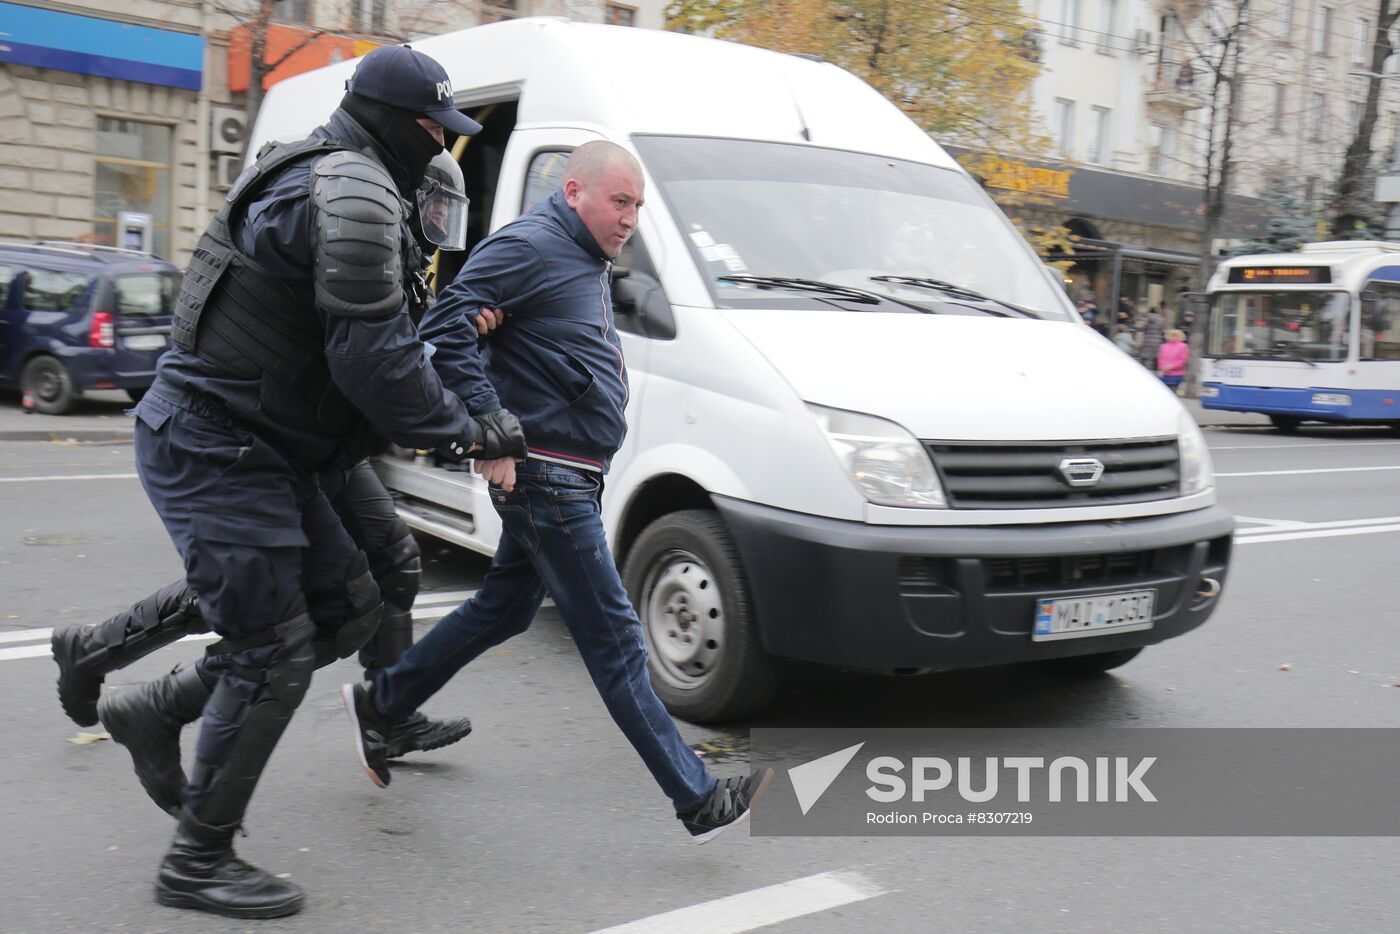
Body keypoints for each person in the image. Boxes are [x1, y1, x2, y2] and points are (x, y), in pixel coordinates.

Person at [86, 45, 526, 920]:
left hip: (269, 445)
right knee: (273, 647)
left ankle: (154, 711)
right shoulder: (349, 186)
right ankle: (195, 862)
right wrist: (466, 430)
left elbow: (372, 343)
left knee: (350, 608)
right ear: (400, 121)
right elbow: (375, 358)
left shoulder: (355, 182)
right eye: (438, 124)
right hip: (217, 444)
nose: (444, 140)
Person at [339, 140, 774, 845]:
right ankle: (696, 797)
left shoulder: (584, 257)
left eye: (638, 205)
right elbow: (447, 326)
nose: (631, 217)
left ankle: (384, 704)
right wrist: (490, 434)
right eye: (619, 201)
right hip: (544, 475)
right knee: (615, 639)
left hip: (568, 470)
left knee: (503, 609)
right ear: (575, 192)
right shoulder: (533, 246)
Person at [1157, 328, 1189, 393]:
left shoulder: (1183, 346)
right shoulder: (1163, 346)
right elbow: (1161, 358)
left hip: (1176, 374)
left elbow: (1182, 360)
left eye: (1176, 335)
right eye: (1172, 335)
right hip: (1164, 373)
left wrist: (1172, 366)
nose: (1173, 337)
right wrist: (1163, 366)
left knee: (1172, 393)